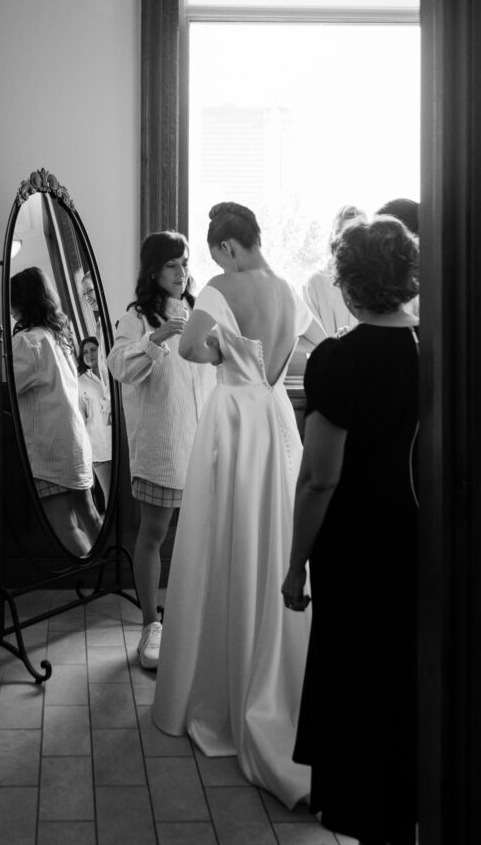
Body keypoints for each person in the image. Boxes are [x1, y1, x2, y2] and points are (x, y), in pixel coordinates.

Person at [152, 202, 313, 809]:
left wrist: (224, 352)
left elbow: (192, 349)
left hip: (233, 417)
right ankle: (275, 677)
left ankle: (219, 685)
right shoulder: (289, 289)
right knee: (271, 534)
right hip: (273, 418)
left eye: (213, 249)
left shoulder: (220, 285)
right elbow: (296, 354)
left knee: (224, 536)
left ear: (226, 247)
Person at [281, 216, 419, 845]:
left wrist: (294, 565)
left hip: (357, 541)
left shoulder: (341, 359)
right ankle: (406, 804)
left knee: (354, 671)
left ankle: (363, 813)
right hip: (416, 534)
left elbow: (319, 480)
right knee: (403, 673)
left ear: (347, 283)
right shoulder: (434, 348)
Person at [107, 231, 215, 669]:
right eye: (173, 265)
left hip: (202, 443)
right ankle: (151, 624)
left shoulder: (199, 312)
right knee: (153, 534)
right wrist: (156, 340)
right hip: (162, 444)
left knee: (200, 537)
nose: (181, 272)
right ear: (154, 269)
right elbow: (118, 368)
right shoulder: (137, 317)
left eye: (185, 263)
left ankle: (192, 620)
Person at [10, 266, 103, 557]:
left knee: (63, 525)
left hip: (50, 444)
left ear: (21, 304)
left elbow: (12, 385)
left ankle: (90, 573)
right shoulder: (57, 339)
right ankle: (108, 572)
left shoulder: (28, 342)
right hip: (74, 440)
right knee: (89, 514)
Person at [302, 204, 367, 346]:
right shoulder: (315, 283)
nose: (342, 239)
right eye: (338, 232)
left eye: (351, 232)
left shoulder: (378, 281)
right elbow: (310, 339)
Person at [78, 335, 112, 509]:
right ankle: (109, 532)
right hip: (98, 445)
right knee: (109, 494)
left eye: (93, 349)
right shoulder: (80, 382)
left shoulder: (111, 373)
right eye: (85, 352)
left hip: (119, 442)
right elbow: (80, 418)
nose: (89, 354)